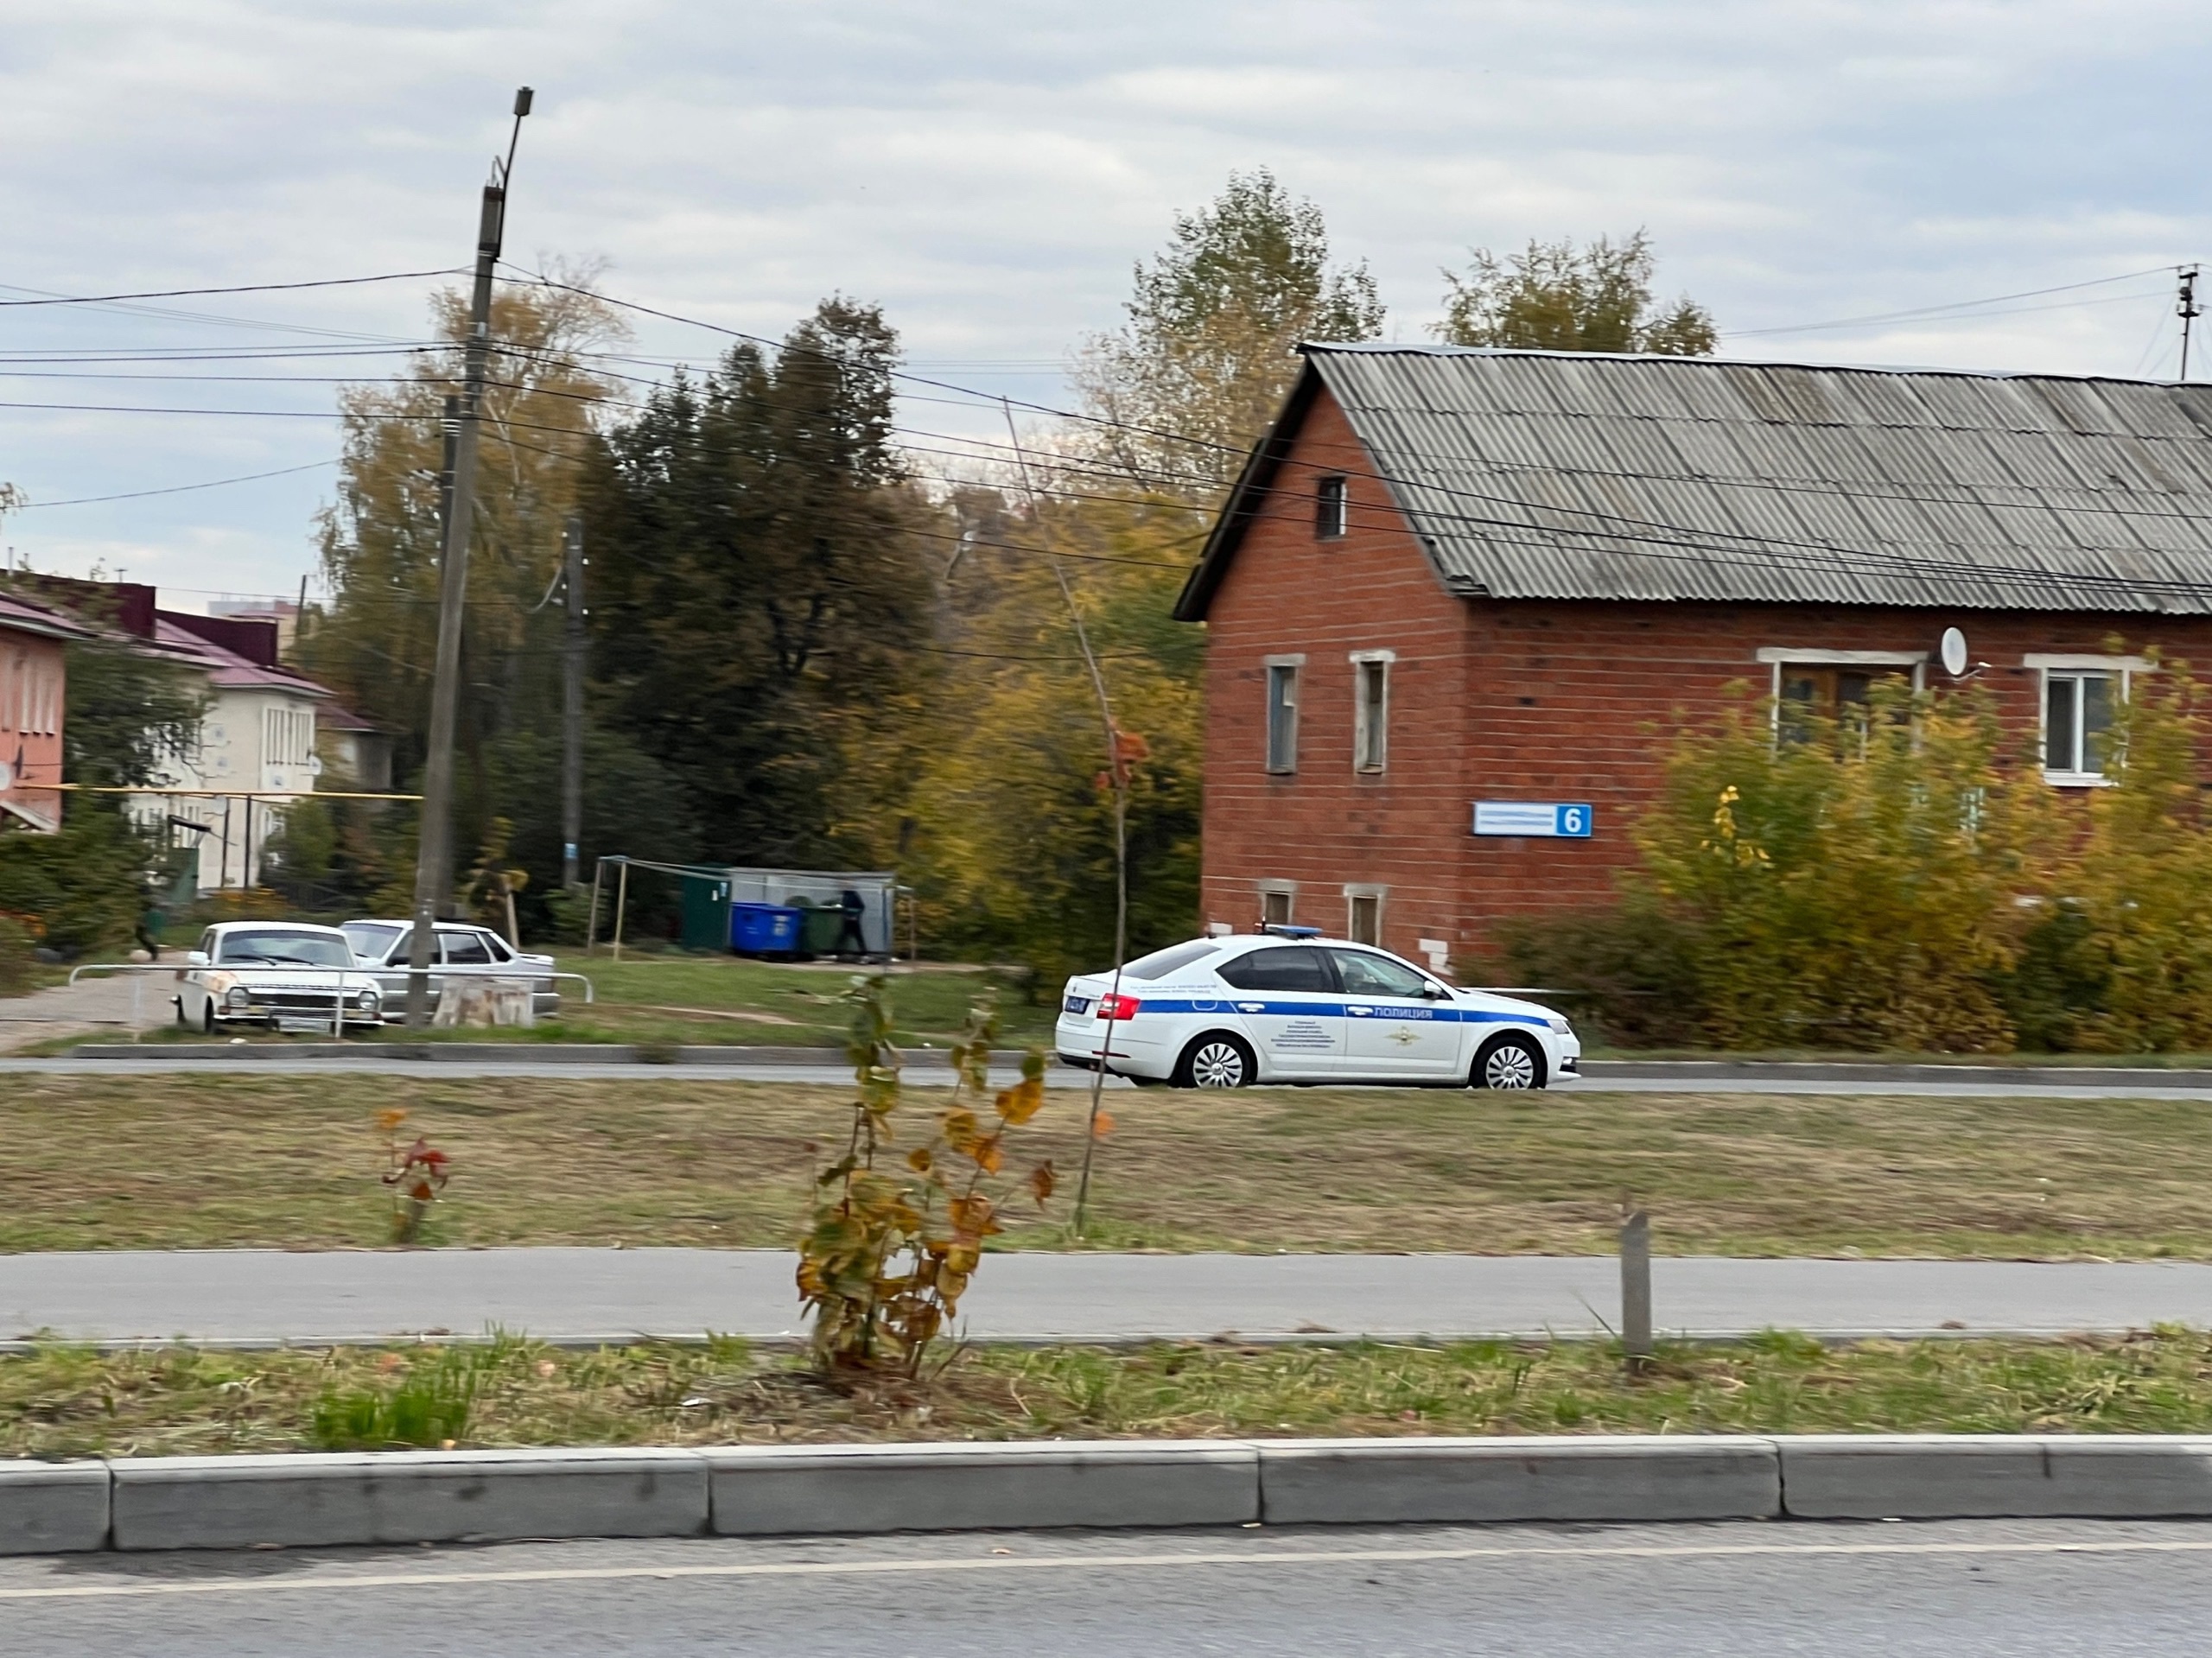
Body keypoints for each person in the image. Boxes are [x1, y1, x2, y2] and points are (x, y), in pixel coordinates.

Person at [836, 888, 868, 960]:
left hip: (853, 920)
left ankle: (863, 952)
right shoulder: (845, 896)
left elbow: (861, 907)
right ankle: (838, 952)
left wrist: (855, 916)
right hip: (848, 919)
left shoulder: (853, 896)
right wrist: (846, 915)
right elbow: (844, 908)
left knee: (856, 936)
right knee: (845, 936)